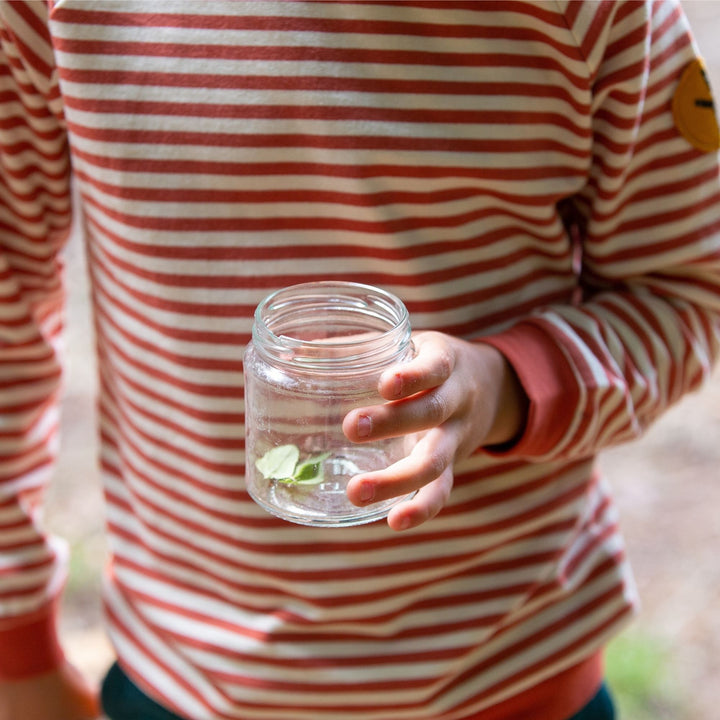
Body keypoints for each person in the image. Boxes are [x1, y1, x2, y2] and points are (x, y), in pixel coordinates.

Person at [1, 1, 718, 719]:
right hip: (186, 675)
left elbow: (689, 290)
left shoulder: (597, 14)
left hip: (510, 674)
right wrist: (17, 650)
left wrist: (506, 386)